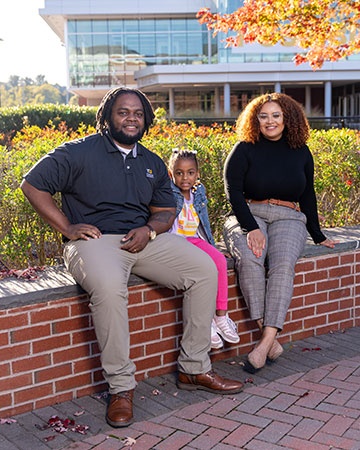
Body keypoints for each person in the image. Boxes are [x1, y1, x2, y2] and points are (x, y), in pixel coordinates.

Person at [21, 87, 243, 428]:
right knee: (109, 288)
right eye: (123, 112)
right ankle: (121, 388)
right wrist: (67, 227)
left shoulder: (151, 161)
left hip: (143, 240)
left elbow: (166, 210)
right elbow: (33, 184)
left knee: (203, 268)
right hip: (94, 241)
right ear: (108, 115)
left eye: (138, 113)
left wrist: (150, 230)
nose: (131, 118)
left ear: (146, 120)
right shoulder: (78, 152)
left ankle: (194, 368)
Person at [223, 93, 339, 373]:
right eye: (263, 116)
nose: (269, 121)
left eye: (276, 115)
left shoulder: (301, 151)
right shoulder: (244, 147)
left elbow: (308, 194)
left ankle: (264, 343)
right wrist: (250, 227)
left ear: (288, 118)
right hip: (249, 213)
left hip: (289, 216)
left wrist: (317, 233)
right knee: (251, 257)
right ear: (255, 119)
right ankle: (270, 339)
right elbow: (233, 191)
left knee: (283, 264)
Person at [168, 148, 240, 349]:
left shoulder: (199, 191)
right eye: (179, 173)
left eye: (190, 172)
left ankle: (221, 316)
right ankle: (206, 321)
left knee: (219, 261)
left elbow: (204, 222)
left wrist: (212, 246)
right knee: (202, 269)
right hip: (177, 242)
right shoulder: (169, 191)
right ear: (170, 173)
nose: (185, 178)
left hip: (195, 240)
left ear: (197, 174)